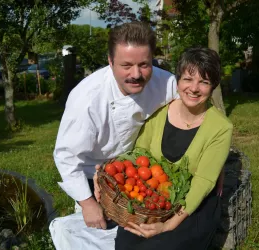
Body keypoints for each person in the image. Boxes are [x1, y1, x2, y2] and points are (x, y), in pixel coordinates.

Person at [50, 21, 178, 249]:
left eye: (144, 65)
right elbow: (66, 156)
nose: (136, 74)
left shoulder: (165, 82)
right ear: (110, 62)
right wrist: (87, 202)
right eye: (126, 65)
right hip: (92, 177)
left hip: (137, 173)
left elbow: (190, 105)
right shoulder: (87, 99)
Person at [95, 47, 233, 250]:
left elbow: (203, 182)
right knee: (125, 244)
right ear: (178, 81)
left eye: (204, 82)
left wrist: (168, 225)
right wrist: (106, 175)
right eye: (188, 79)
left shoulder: (221, 128)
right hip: (152, 204)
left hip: (191, 209)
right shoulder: (159, 113)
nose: (194, 88)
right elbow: (137, 157)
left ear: (213, 86)